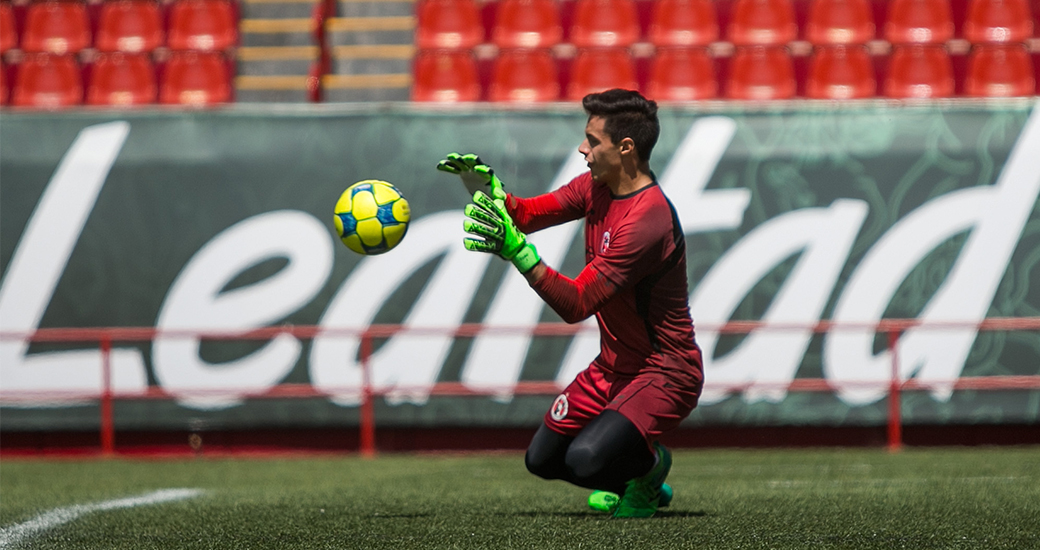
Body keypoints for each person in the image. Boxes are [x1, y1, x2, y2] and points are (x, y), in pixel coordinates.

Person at [436, 89, 704, 519]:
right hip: (612, 367)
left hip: (664, 371)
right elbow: (524, 215)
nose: (583, 148)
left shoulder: (647, 219)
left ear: (625, 147)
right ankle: (634, 471)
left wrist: (518, 255)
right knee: (542, 460)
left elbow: (577, 303)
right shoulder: (596, 186)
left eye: (592, 140)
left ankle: (650, 471)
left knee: (585, 460)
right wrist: (486, 191)